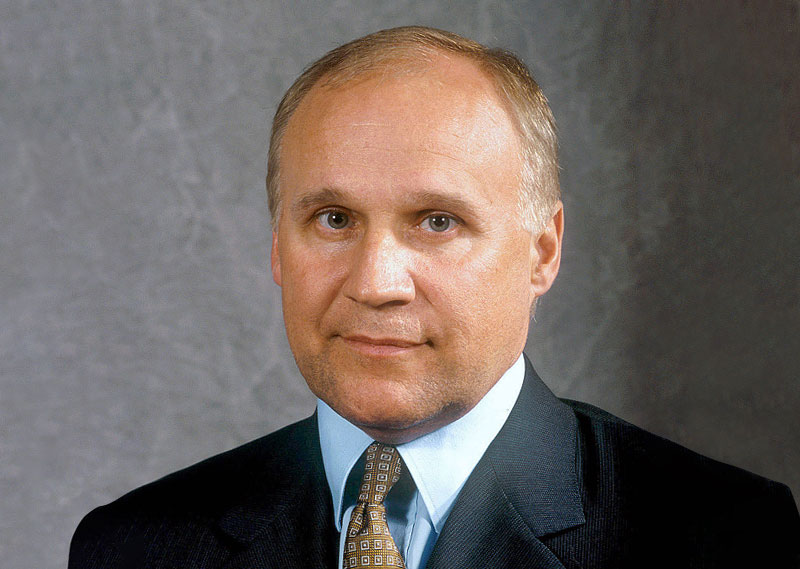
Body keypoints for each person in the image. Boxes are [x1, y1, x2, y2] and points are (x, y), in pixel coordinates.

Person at [69, 26, 800, 569]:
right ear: (276, 248)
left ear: (543, 251)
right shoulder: (132, 547)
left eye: (438, 221)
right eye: (334, 220)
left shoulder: (729, 540)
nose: (375, 283)